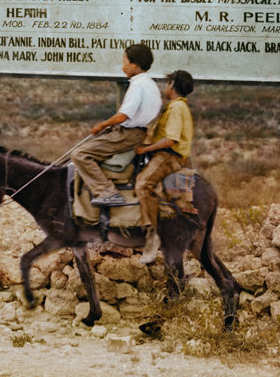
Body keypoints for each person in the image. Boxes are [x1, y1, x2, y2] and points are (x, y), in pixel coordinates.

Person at [72, 43, 162, 208]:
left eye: (125, 62)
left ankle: (107, 193)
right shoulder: (149, 83)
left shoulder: (138, 85)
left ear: (134, 66)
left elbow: (123, 116)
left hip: (128, 133)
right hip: (136, 131)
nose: (123, 67)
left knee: (80, 154)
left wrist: (102, 125)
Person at [133, 69, 195, 265]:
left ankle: (152, 237)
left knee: (142, 185)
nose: (165, 86)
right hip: (165, 154)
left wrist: (145, 149)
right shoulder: (175, 107)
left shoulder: (176, 108)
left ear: (172, 84)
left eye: (167, 82)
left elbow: (170, 140)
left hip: (169, 157)